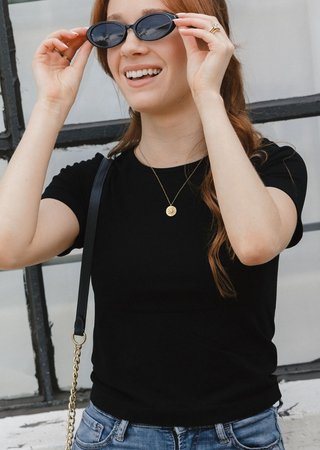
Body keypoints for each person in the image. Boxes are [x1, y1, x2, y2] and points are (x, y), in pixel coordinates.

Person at [0, 0, 307, 448]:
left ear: (203, 34)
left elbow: (255, 243)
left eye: (154, 24)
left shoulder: (270, 166)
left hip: (239, 435)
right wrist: (50, 103)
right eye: (114, 32)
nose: (130, 47)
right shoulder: (93, 181)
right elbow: (8, 247)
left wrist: (207, 92)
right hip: (114, 436)